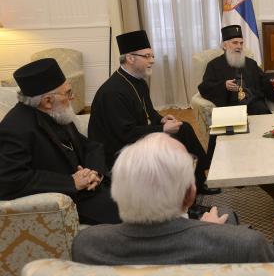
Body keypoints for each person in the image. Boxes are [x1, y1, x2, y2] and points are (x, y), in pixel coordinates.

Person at [72, 132, 274, 267]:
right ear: (190, 195)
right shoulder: (244, 243)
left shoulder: (88, 245)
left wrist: (206, 233)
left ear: (117, 191)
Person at [88, 30, 216, 194]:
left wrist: (161, 119)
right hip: (120, 150)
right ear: (130, 58)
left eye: (152, 56)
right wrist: (162, 129)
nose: (152, 60)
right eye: (147, 56)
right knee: (174, 146)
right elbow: (125, 133)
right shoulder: (112, 92)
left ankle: (198, 181)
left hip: (137, 136)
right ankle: (182, 197)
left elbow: (149, 112)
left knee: (184, 128)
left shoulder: (139, 81)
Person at [0, 58, 120, 225]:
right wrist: (71, 182)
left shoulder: (57, 113)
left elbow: (90, 146)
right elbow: (10, 179)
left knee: (144, 195)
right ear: (48, 101)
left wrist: (95, 172)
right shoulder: (15, 128)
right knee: (136, 216)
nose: (73, 97)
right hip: (69, 201)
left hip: (93, 187)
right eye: (68, 93)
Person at [198, 25, 274, 115]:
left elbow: (263, 78)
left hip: (254, 104)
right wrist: (224, 86)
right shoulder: (214, 65)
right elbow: (205, 87)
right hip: (230, 107)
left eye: (241, 43)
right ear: (225, 46)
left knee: (263, 115)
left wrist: (271, 80)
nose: (239, 46)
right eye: (235, 43)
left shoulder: (251, 63)